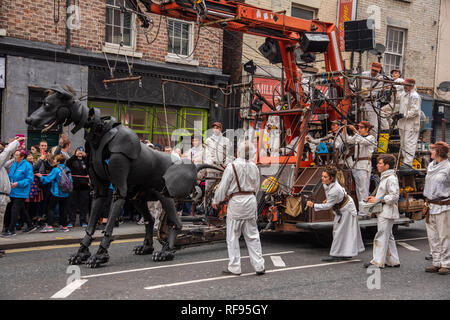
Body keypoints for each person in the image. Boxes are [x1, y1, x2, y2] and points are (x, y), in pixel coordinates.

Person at [212, 142, 265, 276]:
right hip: (251, 201)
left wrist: (216, 200)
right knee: (253, 236)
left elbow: (223, 186)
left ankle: (235, 267)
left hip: (236, 202)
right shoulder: (254, 166)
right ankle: (259, 266)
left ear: (239, 152)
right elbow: (257, 186)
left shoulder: (232, 166)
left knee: (233, 236)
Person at [306, 166, 364, 261]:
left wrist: (313, 205)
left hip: (347, 209)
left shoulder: (335, 189)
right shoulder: (329, 184)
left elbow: (327, 206)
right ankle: (344, 253)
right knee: (341, 231)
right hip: (342, 206)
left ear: (331, 178)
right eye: (322, 176)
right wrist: (329, 200)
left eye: (325, 177)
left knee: (341, 231)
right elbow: (333, 197)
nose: (322, 178)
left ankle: (336, 254)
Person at [364, 154, 401, 269]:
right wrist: (374, 199)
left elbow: (394, 196)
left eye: (380, 163)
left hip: (387, 211)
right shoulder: (386, 177)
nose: (378, 165)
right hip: (385, 211)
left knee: (381, 235)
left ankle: (377, 262)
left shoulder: (391, 178)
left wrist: (378, 199)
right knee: (388, 236)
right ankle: (393, 261)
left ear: (387, 166)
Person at [423, 141, 450, 275]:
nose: (431, 152)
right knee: (432, 236)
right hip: (430, 204)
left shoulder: (448, 168)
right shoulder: (431, 166)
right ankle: (437, 262)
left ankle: (446, 263)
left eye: (433, 150)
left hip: (443, 206)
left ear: (439, 152)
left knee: (444, 236)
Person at [344, 121, 377, 212]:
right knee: (359, 190)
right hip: (357, 165)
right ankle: (362, 210)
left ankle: (364, 211)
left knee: (363, 189)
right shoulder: (358, 136)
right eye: (359, 128)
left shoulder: (371, 138)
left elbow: (363, 141)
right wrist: (344, 129)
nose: (359, 130)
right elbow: (348, 140)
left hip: (364, 165)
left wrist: (355, 131)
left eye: (362, 128)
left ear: (367, 129)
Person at [37, 154, 72, 233]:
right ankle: (64, 226)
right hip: (65, 193)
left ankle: (49, 226)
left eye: (55, 160)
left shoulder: (56, 170)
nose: (54, 161)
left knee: (50, 208)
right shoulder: (67, 169)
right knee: (63, 209)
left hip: (56, 192)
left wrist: (41, 177)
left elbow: (48, 179)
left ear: (58, 162)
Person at [4, 149, 35, 236]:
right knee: (21, 209)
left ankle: (11, 230)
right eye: (15, 154)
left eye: (17, 155)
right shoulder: (14, 164)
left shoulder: (27, 166)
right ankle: (30, 225)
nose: (15, 156)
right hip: (12, 191)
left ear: (22, 157)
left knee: (14, 210)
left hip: (22, 191)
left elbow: (30, 179)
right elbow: (10, 176)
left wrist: (18, 183)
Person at [0, 137, 22, 254]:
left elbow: (7, 162)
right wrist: (16, 142)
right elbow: (6, 153)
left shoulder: (1, 165)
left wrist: (16, 157)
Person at [396, 78, 422, 169]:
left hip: (411, 124)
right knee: (403, 143)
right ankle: (405, 162)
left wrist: (404, 115)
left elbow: (415, 111)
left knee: (409, 143)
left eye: (406, 85)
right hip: (403, 123)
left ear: (411, 86)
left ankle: (408, 163)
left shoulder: (415, 96)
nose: (404, 87)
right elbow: (398, 103)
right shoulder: (404, 94)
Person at [205, 122, 232, 193]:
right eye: (214, 128)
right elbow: (205, 154)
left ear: (220, 129)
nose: (215, 129)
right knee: (208, 187)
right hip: (211, 167)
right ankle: (207, 202)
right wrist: (206, 165)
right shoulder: (208, 140)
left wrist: (226, 164)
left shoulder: (226, 140)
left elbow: (229, 154)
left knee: (220, 187)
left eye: (217, 128)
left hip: (221, 167)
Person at [66, 147, 90, 228]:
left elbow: (90, 166)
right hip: (74, 185)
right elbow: (67, 164)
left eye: (82, 150)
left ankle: (83, 221)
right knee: (72, 204)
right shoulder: (72, 160)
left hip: (84, 186)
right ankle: (71, 221)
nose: (80, 152)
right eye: (78, 151)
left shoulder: (86, 160)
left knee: (84, 204)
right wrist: (74, 156)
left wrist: (86, 156)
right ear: (75, 152)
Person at [361, 62, 384, 139]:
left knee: (373, 124)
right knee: (361, 122)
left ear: (379, 71)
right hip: (361, 101)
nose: (374, 72)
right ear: (371, 68)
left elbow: (378, 92)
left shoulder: (380, 79)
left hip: (372, 103)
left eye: (376, 71)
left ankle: (373, 142)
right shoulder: (364, 75)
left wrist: (367, 93)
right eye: (373, 70)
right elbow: (355, 85)